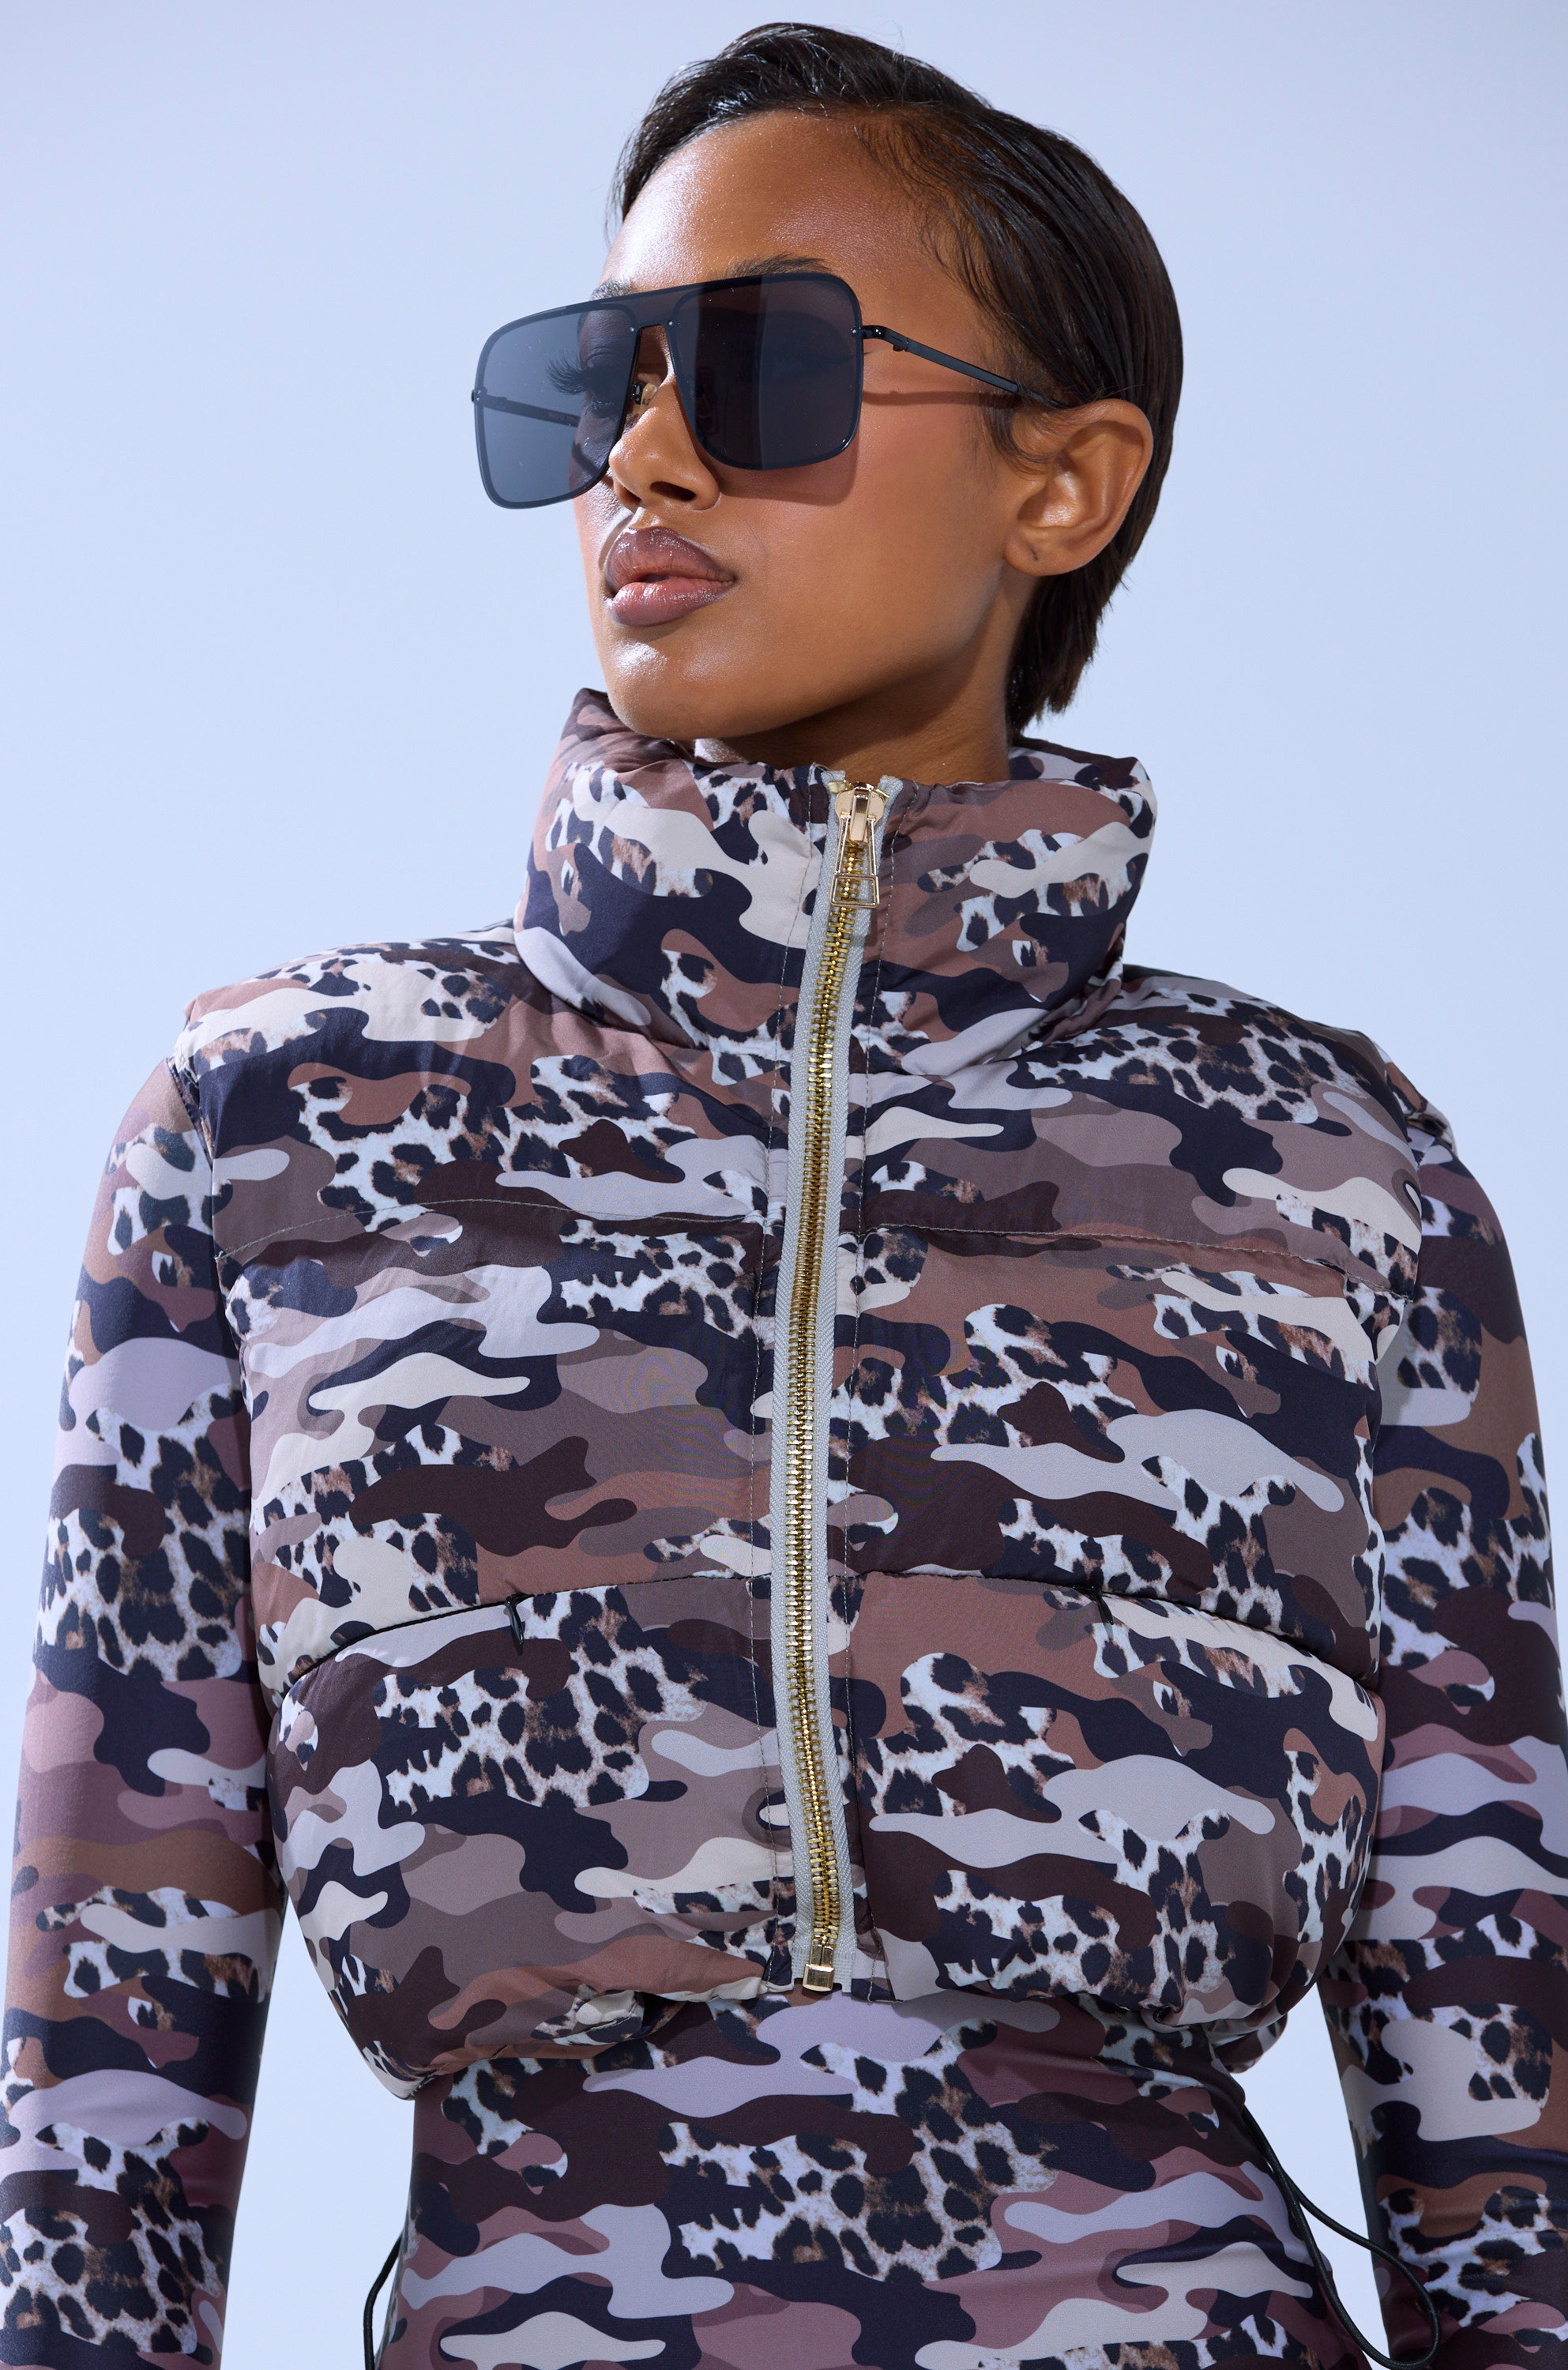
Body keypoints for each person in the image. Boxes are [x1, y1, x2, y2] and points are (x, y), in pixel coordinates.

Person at [2, 22, 1560, 2370]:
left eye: (757, 367)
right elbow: (102, 2042)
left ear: (1065, 484)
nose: (641, 456)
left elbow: (1500, 2062)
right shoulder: (276, 1119)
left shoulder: (1330, 1168)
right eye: (595, 382)